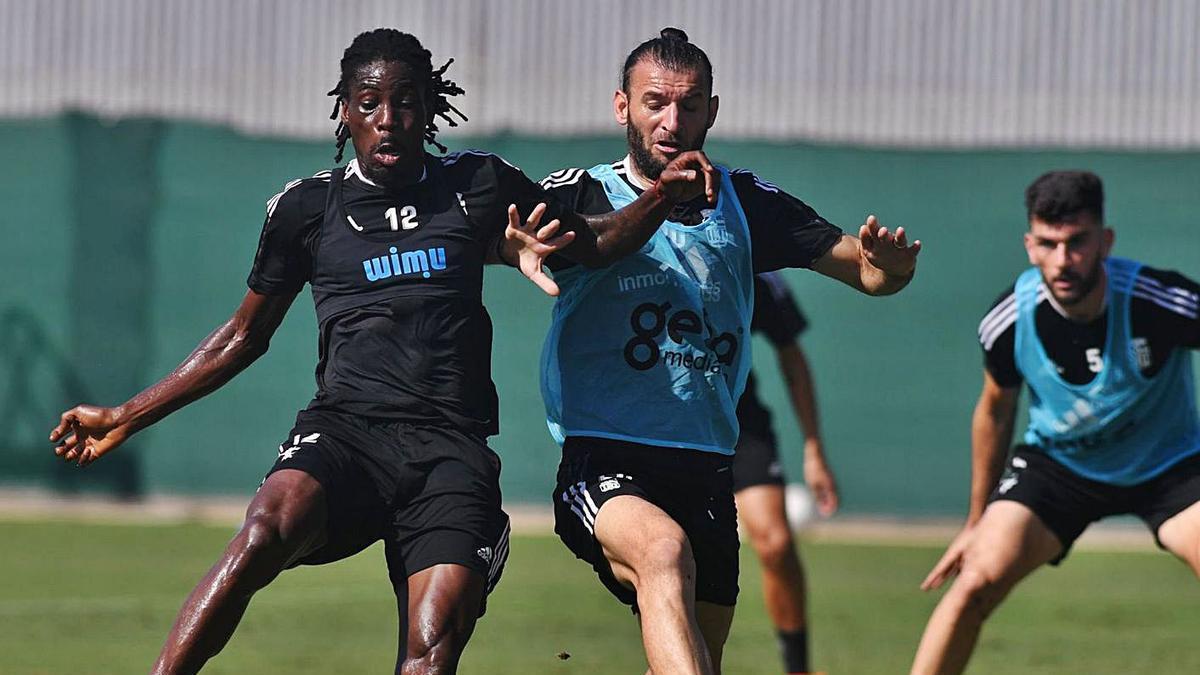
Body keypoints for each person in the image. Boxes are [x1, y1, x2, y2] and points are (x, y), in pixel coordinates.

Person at [47, 28, 716, 675]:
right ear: (346, 112)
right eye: (370, 103)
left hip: (449, 454)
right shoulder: (305, 209)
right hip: (344, 436)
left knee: (429, 647)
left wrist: (660, 195)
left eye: (406, 101)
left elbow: (594, 241)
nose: (389, 118)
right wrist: (125, 415)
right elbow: (242, 336)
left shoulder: (480, 184)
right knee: (260, 534)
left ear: (429, 111)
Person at [535, 28, 920, 675]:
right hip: (605, 458)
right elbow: (542, 244)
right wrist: (661, 199)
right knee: (662, 552)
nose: (672, 120)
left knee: (695, 660)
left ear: (712, 111)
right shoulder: (584, 192)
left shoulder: (746, 203)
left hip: (709, 468)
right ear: (621, 106)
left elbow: (868, 273)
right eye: (655, 101)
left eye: (689, 105)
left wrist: (893, 267)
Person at [911, 170, 1200, 675]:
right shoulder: (1009, 321)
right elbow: (996, 410)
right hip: (1061, 467)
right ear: (1029, 246)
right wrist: (976, 520)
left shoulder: (1158, 300)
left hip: (1168, 464)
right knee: (974, 581)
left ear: (1104, 241)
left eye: (1076, 243)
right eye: (1048, 244)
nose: (1063, 260)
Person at [733, 272, 838, 675]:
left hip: (740, 424)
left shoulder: (751, 265)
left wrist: (813, 448)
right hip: (666, 423)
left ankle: (798, 669)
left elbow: (791, 355)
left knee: (775, 543)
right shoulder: (644, 248)